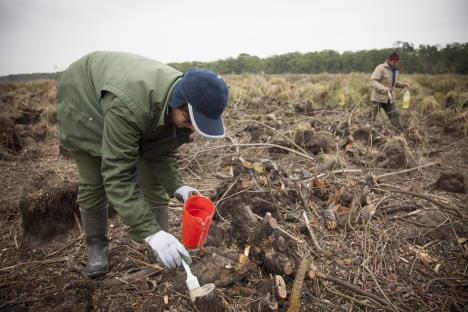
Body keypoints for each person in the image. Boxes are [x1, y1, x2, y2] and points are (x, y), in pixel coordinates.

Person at [56, 51, 229, 277]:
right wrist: (150, 232)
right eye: (189, 121)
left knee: (152, 179)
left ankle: (161, 245)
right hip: (83, 99)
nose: (191, 128)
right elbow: (118, 174)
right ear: (178, 103)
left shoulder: (186, 93)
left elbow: (160, 150)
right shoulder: (129, 106)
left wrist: (177, 186)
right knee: (95, 180)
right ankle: (97, 247)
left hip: (128, 103)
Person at [369, 51, 410, 132]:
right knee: (371, 118)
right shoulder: (381, 68)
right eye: (394, 62)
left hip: (389, 98)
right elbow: (372, 81)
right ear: (390, 60)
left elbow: (394, 83)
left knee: (395, 115)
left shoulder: (395, 71)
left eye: (397, 62)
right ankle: (367, 133)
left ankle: (400, 134)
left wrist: (404, 84)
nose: (396, 63)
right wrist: (383, 87)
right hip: (377, 98)